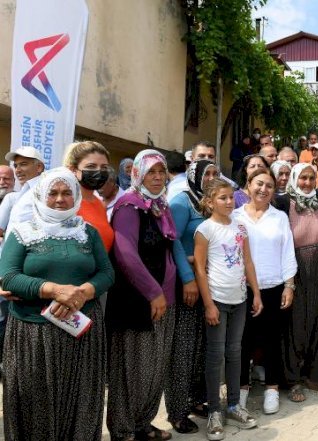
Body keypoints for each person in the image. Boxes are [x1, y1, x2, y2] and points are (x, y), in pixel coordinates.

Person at [0, 167, 114, 441]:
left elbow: (106, 273)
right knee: (35, 402)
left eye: (66, 193)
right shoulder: (22, 232)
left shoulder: (87, 232)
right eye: (53, 193)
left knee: (80, 401)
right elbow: (8, 276)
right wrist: (54, 290)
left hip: (81, 334)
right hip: (34, 335)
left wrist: (83, 293)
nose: (60, 199)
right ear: (41, 195)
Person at [106, 149, 180, 441]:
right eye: (152, 172)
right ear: (137, 173)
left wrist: (166, 292)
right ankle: (123, 430)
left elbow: (168, 249)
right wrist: (153, 293)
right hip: (137, 301)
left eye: (162, 171)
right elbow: (126, 255)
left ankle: (143, 424)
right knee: (131, 371)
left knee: (154, 367)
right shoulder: (129, 206)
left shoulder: (160, 205)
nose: (158, 177)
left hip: (163, 299)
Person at [194, 179, 262, 440]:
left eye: (231, 197)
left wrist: (256, 293)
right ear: (210, 202)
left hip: (240, 299)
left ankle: (234, 405)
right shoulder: (204, 229)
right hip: (217, 301)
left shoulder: (240, 227)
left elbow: (247, 261)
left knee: (235, 352)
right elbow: (200, 268)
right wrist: (208, 303)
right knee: (216, 355)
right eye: (222, 198)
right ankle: (214, 411)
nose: (229, 202)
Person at [275, 163, 318, 402]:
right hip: (296, 272)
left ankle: (316, 377)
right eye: (302, 178)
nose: (306, 182)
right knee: (296, 326)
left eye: (310, 178)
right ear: (294, 179)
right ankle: (292, 380)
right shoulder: (283, 203)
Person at [234, 169, 297, 415]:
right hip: (241, 289)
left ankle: (271, 388)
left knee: (272, 340)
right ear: (248, 185)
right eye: (259, 184)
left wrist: (289, 285)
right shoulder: (235, 216)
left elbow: (287, 253)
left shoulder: (280, 217)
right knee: (241, 342)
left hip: (273, 287)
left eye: (269, 186)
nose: (264, 189)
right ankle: (240, 389)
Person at [165, 159, 220, 433]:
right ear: (193, 175)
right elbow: (172, 240)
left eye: (215, 173)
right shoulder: (182, 201)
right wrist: (188, 277)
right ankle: (176, 411)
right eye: (206, 173)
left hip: (210, 283)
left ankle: (197, 399)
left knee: (202, 347)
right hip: (188, 283)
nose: (211, 177)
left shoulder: (211, 203)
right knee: (183, 350)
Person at [64, 141, 114, 252]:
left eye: (104, 167)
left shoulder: (100, 204)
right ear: (73, 170)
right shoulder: (64, 203)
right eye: (91, 166)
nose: (99, 171)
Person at [0, 147, 46, 238]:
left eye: (23, 164)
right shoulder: (18, 195)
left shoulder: (47, 191)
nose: (17, 170)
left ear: (39, 167)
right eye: (16, 166)